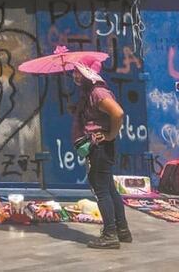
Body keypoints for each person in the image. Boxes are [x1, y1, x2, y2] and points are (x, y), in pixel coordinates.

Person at [70, 61, 130, 249]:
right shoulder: (89, 93)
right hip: (101, 147)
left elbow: (118, 113)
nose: (75, 76)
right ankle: (122, 230)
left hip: (100, 147)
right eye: (74, 72)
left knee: (101, 190)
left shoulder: (98, 93)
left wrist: (111, 134)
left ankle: (110, 234)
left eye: (77, 72)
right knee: (110, 189)